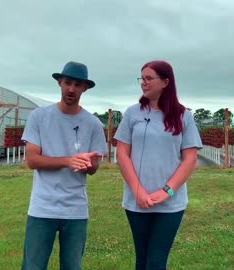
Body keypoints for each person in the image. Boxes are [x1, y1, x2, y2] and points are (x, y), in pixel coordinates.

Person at [114, 60, 202, 270]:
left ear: (165, 82)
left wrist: (166, 192)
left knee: (156, 261)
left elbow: (189, 159)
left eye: (148, 78)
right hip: (137, 201)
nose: (143, 83)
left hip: (170, 204)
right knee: (142, 259)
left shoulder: (183, 116)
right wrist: (137, 191)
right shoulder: (132, 113)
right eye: (141, 79)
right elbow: (122, 153)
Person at [21, 61, 107, 270]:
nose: (71, 89)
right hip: (43, 207)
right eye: (67, 82)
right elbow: (32, 160)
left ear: (85, 88)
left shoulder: (93, 123)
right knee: (33, 266)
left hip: (75, 210)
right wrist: (68, 161)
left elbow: (95, 166)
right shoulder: (39, 117)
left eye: (77, 85)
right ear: (59, 82)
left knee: (72, 266)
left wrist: (89, 163)